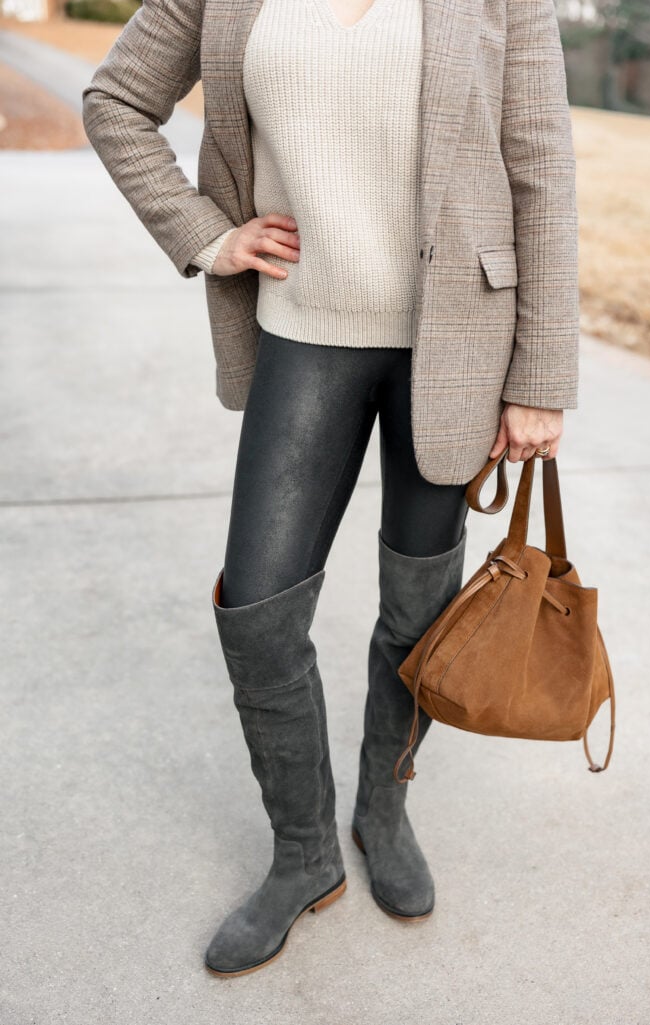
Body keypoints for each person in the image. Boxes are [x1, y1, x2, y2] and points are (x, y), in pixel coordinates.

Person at [82, 0, 578, 978]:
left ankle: (381, 810)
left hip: (454, 345)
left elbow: (542, 168)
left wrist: (539, 377)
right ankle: (302, 852)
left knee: (418, 609)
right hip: (303, 333)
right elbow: (114, 102)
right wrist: (205, 233)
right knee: (258, 609)